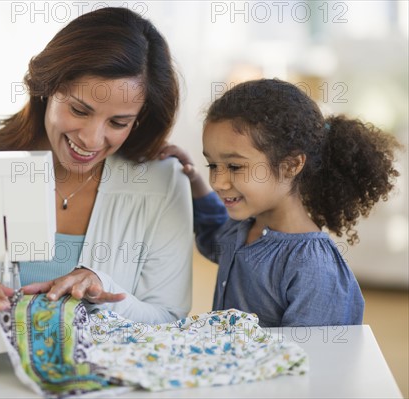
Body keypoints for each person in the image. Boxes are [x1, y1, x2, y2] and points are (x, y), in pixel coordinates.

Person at [0, 7, 193, 324]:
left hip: (103, 372)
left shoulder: (162, 183)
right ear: (48, 88)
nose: (93, 139)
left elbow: (168, 318)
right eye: (80, 110)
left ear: (140, 119)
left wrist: (104, 290)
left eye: (118, 122)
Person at [160, 78, 403, 327]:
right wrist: (193, 180)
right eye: (212, 165)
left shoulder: (314, 268)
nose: (218, 182)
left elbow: (317, 357)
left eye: (234, 166)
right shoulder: (243, 228)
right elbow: (214, 237)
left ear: (291, 165)